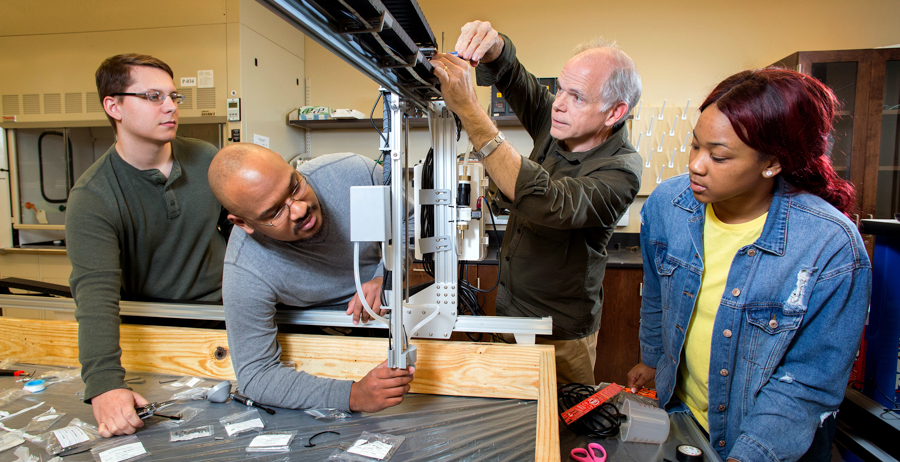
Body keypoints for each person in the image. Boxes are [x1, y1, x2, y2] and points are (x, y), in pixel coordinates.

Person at [627, 68, 871, 461]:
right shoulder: (668, 206)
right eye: (694, 146)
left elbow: (808, 384)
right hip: (684, 421)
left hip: (765, 443)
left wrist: (749, 455)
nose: (696, 165)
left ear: (772, 163)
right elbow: (657, 293)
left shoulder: (830, 246)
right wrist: (653, 360)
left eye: (718, 156)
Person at [430, 21, 643, 385]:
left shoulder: (621, 170)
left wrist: (469, 110)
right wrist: (493, 46)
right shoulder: (559, 122)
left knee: (561, 428)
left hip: (558, 335)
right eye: (560, 90)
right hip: (512, 313)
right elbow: (513, 77)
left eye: (577, 97)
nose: (558, 104)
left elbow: (550, 202)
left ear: (613, 113)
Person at [66, 54, 227, 437]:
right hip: (161, 331)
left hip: (230, 316)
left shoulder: (207, 159)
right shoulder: (93, 198)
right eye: (153, 96)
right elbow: (95, 296)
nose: (170, 106)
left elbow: (251, 229)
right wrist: (104, 384)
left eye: (173, 96)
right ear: (114, 106)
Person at [208, 143, 415, 413]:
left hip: (389, 309)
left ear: (285, 163)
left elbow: (410, 220)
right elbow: (257, 375)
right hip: (321, 335)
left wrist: (385, 276)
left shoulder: (352, 172)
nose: (299, 210)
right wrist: (352, 396)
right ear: (242, 223)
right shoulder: (246, 269)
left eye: (294, 187)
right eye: (275, 213)